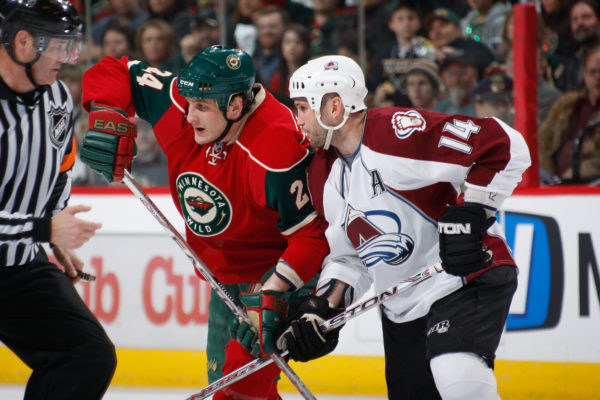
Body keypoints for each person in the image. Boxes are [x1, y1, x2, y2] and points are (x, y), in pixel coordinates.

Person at [79, 45, 329, 399]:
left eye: (202, 108)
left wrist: (275, 291)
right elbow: (115, 68)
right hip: (223, 278)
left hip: (276, 277)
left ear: (236, 106)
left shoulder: (277, 147)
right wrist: (106, 110)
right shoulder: (185, 99)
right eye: (190, 103)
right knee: (225, 387)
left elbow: (311, 237)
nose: (189, 115)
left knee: (241, 390)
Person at [278, 55, 531, 399]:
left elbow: (507, 145)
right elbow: (351, 257)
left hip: (464, 275)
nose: (298, 120)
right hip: (401, 305)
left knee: (458, 374)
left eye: (302, 108)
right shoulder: (322, 173)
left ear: (334, 107)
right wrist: (324, 306)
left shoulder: (397, 132)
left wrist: (473, 212)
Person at [0, 0, 117, 398]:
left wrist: (50, 230)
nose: (66, 58)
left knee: (87, 355)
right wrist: (43, 228)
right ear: (22, 42)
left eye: (71, 45)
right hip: (21, 243)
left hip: (17, 266)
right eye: (57, 45)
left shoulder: (58, 100)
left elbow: (59, 168)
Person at [539, 42, 600, 184]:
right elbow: (542, 141)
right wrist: (552, 178)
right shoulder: (566, 103)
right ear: (584, 73)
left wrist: (577, 171)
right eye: (593, 72)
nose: (597, 77)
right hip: (554, 187)